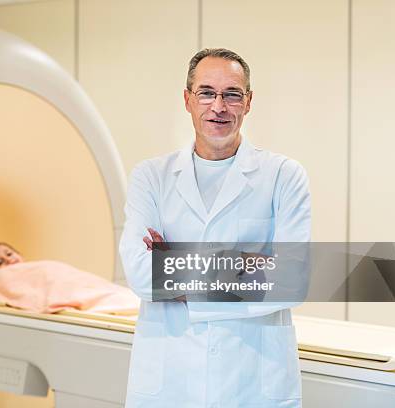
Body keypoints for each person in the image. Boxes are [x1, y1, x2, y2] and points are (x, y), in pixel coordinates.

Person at [119, 48, 310, 407]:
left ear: (248, 102)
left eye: (232, 94)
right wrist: (251, 265)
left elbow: (292, 281)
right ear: (187, 99)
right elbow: (142, 275)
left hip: (253, 379)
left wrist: (172, 263)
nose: (218, 106)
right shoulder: (151, 177)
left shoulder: (284, 176)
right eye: (206, 92)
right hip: (170, 379)